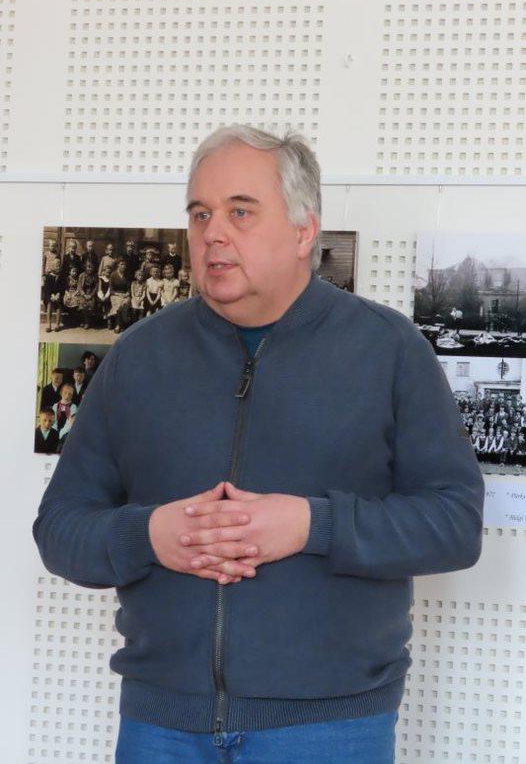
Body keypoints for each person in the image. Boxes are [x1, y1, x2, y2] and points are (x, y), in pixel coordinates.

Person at [33, 125, 484, 764]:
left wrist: (311, 525)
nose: (213, 233)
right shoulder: (137, 357)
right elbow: (58, 529)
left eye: (240, 212)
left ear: (304, 231)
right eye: (200, 214)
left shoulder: (389, 351)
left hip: (330, 729)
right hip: (160, 727)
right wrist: (149, 536)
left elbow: (455, 524)